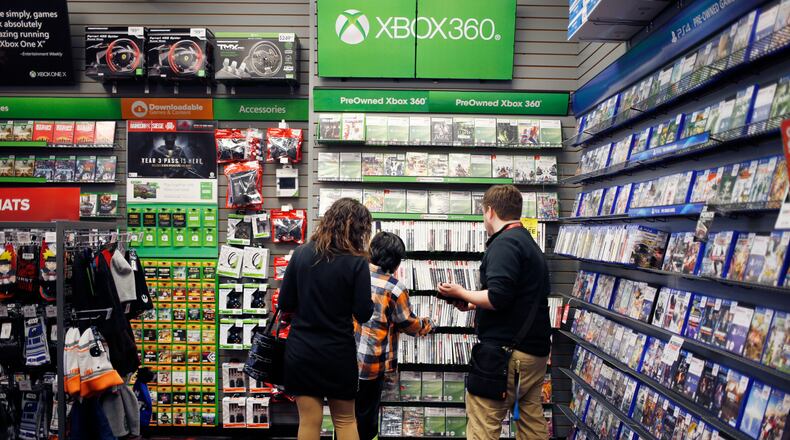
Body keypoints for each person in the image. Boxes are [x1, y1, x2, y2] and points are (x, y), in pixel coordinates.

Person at [438, 185, 552, 439]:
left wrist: (461, 292)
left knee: (483, 424)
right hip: (534, 353)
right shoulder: (527, 242)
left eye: (482, 213)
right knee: (531, 421)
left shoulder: (505, 244)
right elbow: (516, 297)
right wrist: (471, 303)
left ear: (489, 211)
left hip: (506, 355)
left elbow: (498, 297)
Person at [278, 198, 375, 440]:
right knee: (345, 421)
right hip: (337, 352)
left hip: (301, 350)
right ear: (358, 229)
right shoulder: (357, 262)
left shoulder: (301, 253)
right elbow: (363, 313)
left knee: (309, 422)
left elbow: (285, 304)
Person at [355, 232, 434, 440]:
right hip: (371, 364)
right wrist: (427, 325)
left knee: (344, 415)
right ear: (396, 262)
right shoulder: (394, 287)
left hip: (344, 358)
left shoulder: (354, 273)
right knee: (367, 418)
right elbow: (407, 323)